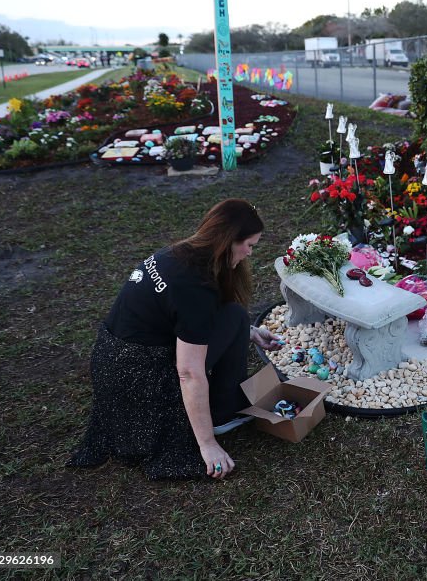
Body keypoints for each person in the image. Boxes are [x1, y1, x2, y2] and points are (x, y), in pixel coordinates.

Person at [69, 199, 281, 480]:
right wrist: (207, 445)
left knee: (235, 318)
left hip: (111, 362)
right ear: (229, 241)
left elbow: (189, 317)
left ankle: (224, 397)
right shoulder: (195, 288)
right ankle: (221, 413)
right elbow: (189, 373)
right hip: (139, 378)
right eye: (250, 246)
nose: (249, 253)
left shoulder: (179, 255)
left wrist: (249, 334)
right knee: (235, 318)